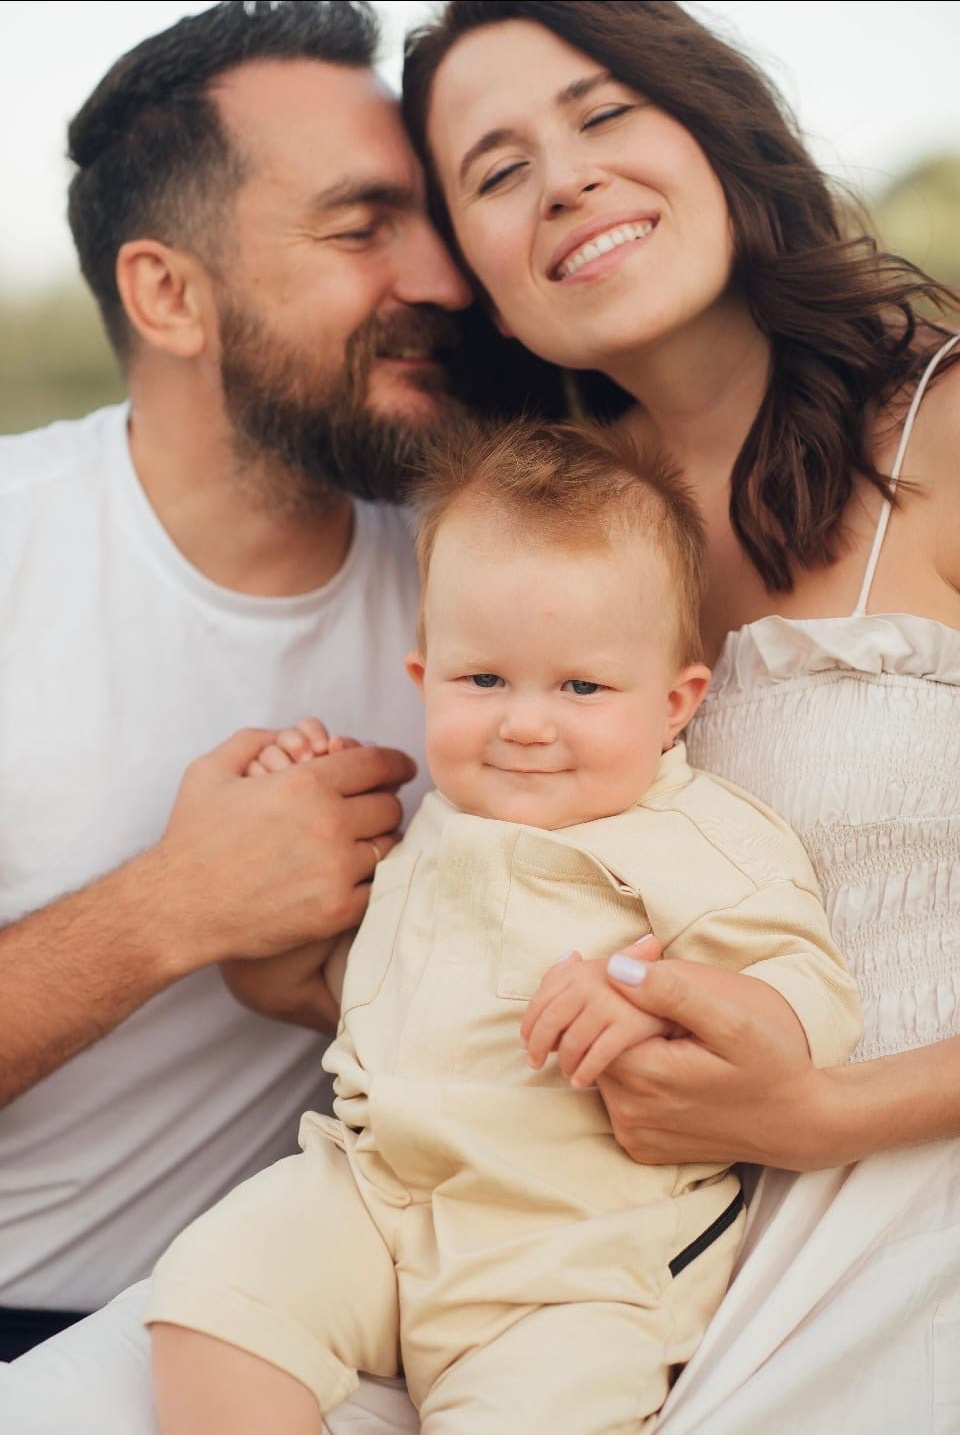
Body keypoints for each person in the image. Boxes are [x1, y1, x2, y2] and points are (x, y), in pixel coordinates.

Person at [394, 1, 960, 1429]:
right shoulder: (528, 536)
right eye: (496, 168)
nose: (566, 178)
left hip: (915, 1212)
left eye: (602, 115)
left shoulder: (949, 426)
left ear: (717, 134)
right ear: (483, 279)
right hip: (595, 1242)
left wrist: (824, 1114)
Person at [145, 417, 860, 1434]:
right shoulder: (435, 829)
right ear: (423, 679)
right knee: (215, 1288)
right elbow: (364, 983)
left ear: (674, 702)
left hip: (573, 1251)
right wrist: (292, 790)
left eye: (582, 686)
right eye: (483, 680)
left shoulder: (693, 835)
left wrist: (655, 1006)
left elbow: (810, 1000)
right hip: (378, 1194)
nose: (526, 722)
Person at [0, 0, 471, 1375]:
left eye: (431, 216)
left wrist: (336, 985)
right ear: (169, 293)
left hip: (335, 1334)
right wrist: (173, 904)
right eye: (358, 225)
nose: (443, 274)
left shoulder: (494, 560)